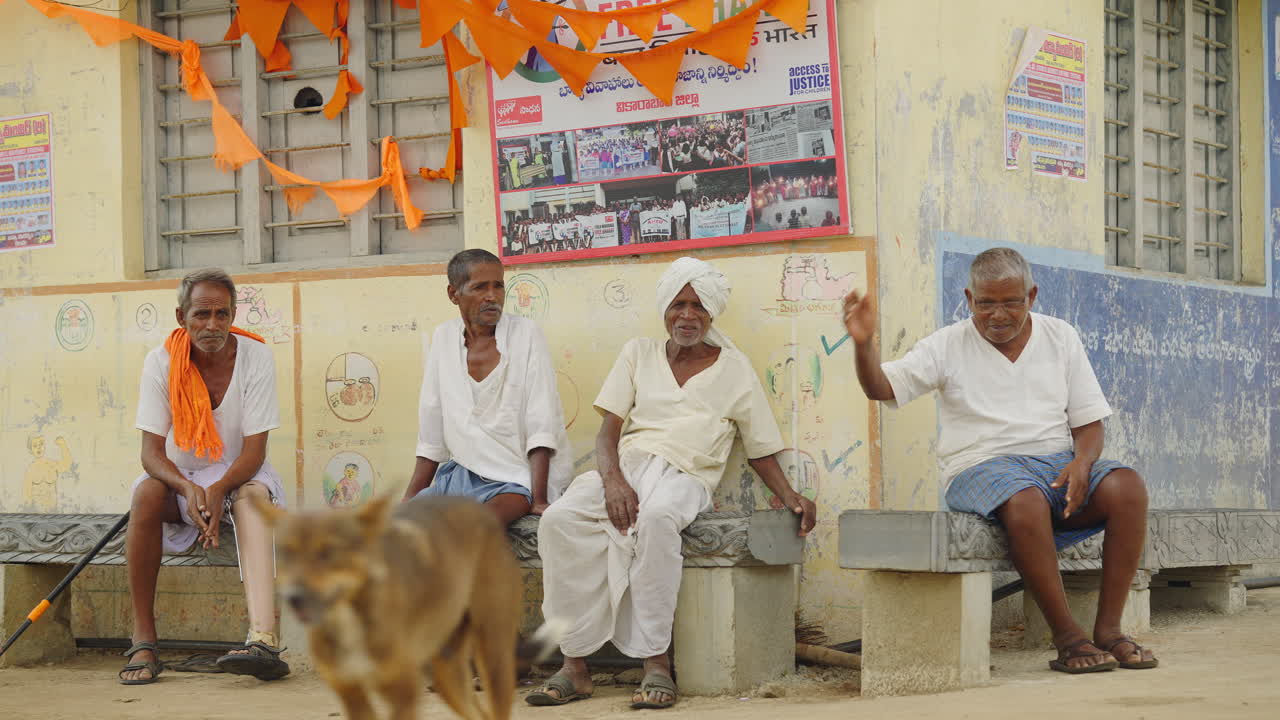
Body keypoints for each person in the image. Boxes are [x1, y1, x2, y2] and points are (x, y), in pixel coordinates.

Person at [843, 247, 1157, 674]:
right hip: (979, 466)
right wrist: (864, 346)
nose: (998, 314)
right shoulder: (947, 344)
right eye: (986, 303)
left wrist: (1082, 463)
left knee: (1128, 487)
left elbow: (1088, 424)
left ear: (1032, 295)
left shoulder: (1060, 336)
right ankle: (1068, 639)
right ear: (970, 299)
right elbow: (881, 387)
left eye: (1011, 302)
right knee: (1025, 498)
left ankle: (1109, 631)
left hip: (1053, 462)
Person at [527, 257, 817, 710]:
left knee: (659, 521)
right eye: (679, 304)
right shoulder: (638, 353)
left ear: (712, 313)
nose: (688, 315)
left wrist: (791, 495)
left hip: (687, 476)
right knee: (559, 521)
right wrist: (613, 481)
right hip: (626, 467)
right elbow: (608, 433)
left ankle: (656, 663)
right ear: (665, 309)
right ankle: (574, 665)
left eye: (698, 306)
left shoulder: (735, 368)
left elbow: (760, 449)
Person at [122, 268, 289, 685]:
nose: (212, 325)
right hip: (183, 480)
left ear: (233, 316)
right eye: (201, 314)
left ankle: (262, 639)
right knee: (145, 494)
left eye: (222, 314)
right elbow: (151, 453)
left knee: (252, 495)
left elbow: (254, 452)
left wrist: (218, 490)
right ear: (182, 317)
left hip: (241, 475)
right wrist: (188, 487)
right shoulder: (160, 362)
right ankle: (144, 640)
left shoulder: (256, 357)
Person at [404, 250, 572, 524]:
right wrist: (409, 500)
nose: (492, 296)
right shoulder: (443, 339)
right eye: (480, 287)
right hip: (460, 476)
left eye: (498, 286)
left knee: (473, 530)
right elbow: (431, 431)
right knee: (406, 533)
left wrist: (538, 498)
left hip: (514, 481)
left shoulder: (526, 334)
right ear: (453, 294)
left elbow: (541, 423)